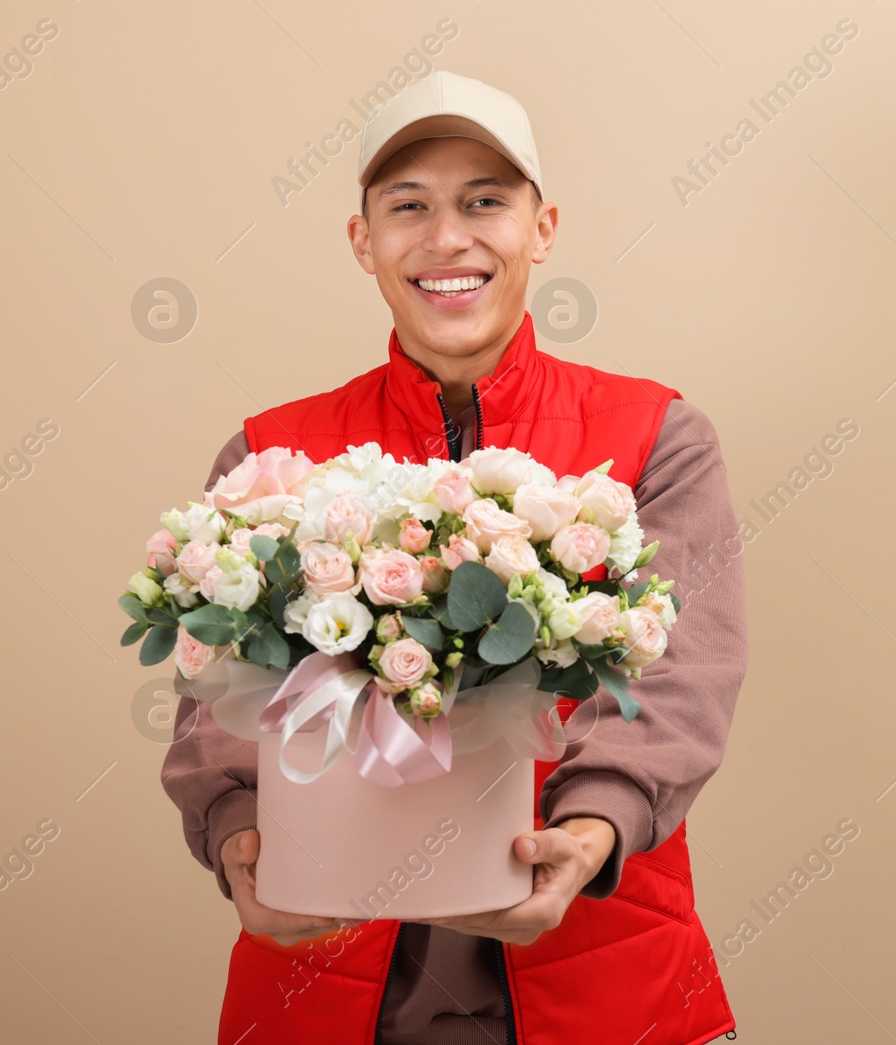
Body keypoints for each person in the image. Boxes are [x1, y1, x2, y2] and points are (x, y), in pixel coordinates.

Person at [160, 70, 748, 1045]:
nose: (447, 238)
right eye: (409, 206)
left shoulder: (655, 435)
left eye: (485, 201)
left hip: (603, 975)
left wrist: (591, 830)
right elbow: (217, 703)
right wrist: (236, 840)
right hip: (329, 975)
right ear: (364, 241)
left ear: (542, 227)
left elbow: (683, 675)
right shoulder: (272, 457)